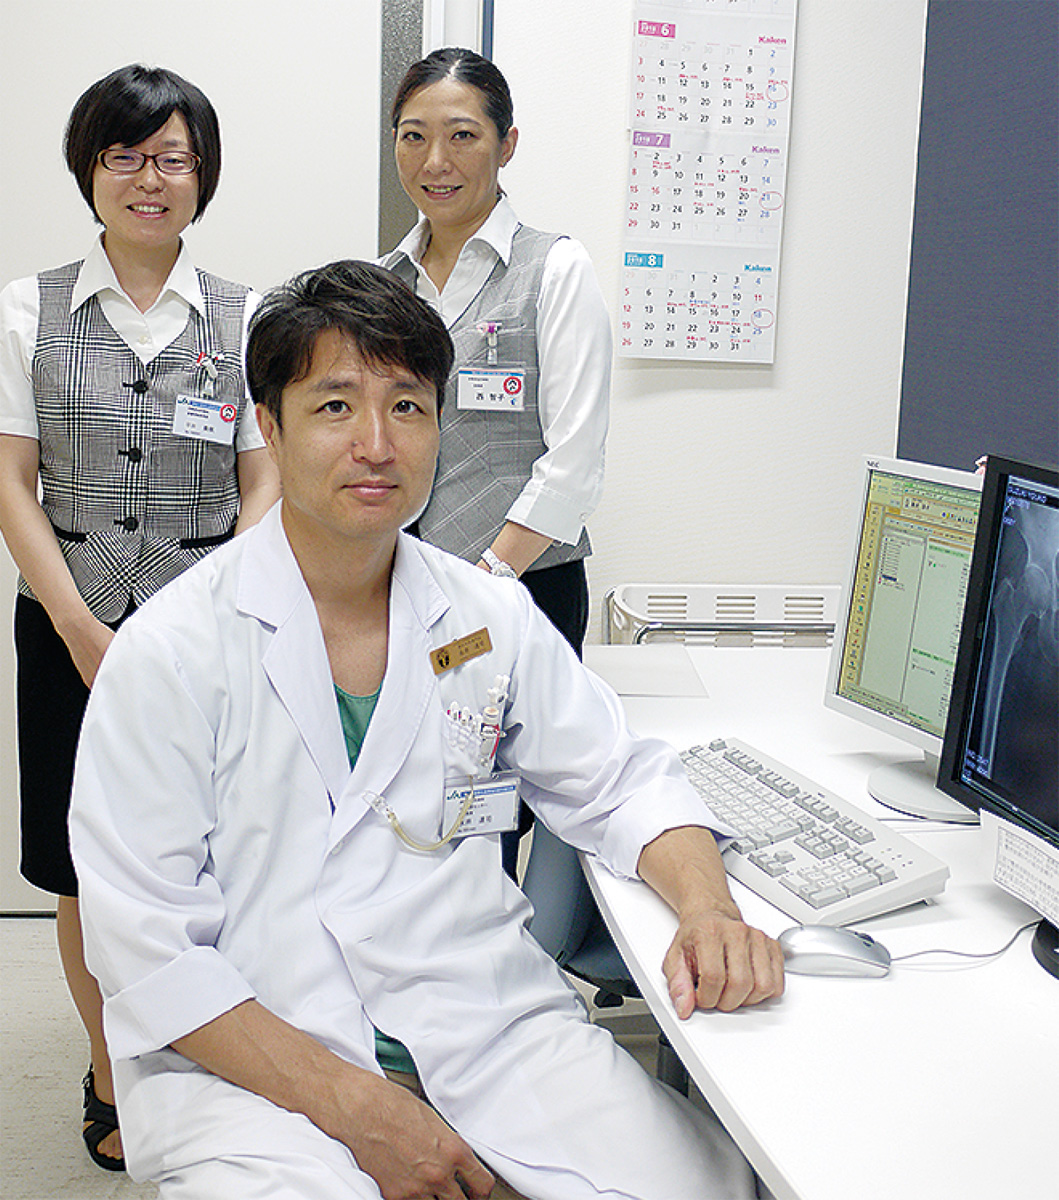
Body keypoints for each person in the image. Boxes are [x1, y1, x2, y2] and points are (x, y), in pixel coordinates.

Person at [69, 260, 785, 1200]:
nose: (375, 444)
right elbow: (147, 951)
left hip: (482, 1024)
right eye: (334, 406)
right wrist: (357, 1107)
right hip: (261, 1063)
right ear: (270, 428)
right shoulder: (171, 651)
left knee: (710, 1186)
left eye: (406, 406)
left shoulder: (484, 614)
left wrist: (707, 908)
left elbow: (618, 779)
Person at [0, 65, 279, 1171]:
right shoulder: (27, 308)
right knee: (82, 865)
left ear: (202, 175)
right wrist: (78, 627)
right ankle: (112, 1066)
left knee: (213, 853)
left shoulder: (248, 317)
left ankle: (210, 1049)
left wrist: (217, 603)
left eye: (172, 158)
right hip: (66, 625)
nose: (148, 179)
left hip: (212, 632)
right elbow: (11, 483)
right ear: (89, 169)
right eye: (125, 155)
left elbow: (264, 477)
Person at [381, 47, 611, 877]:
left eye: (461, 135)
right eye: (413, 136)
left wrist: (484, 584)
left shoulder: (555, 268)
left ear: (506, 144)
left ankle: (495, 957)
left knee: (496, 816)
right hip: (405, 595)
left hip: (520, 589)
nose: (434, 161)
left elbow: (573, 462)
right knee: (410, 809)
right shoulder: (383, 283)